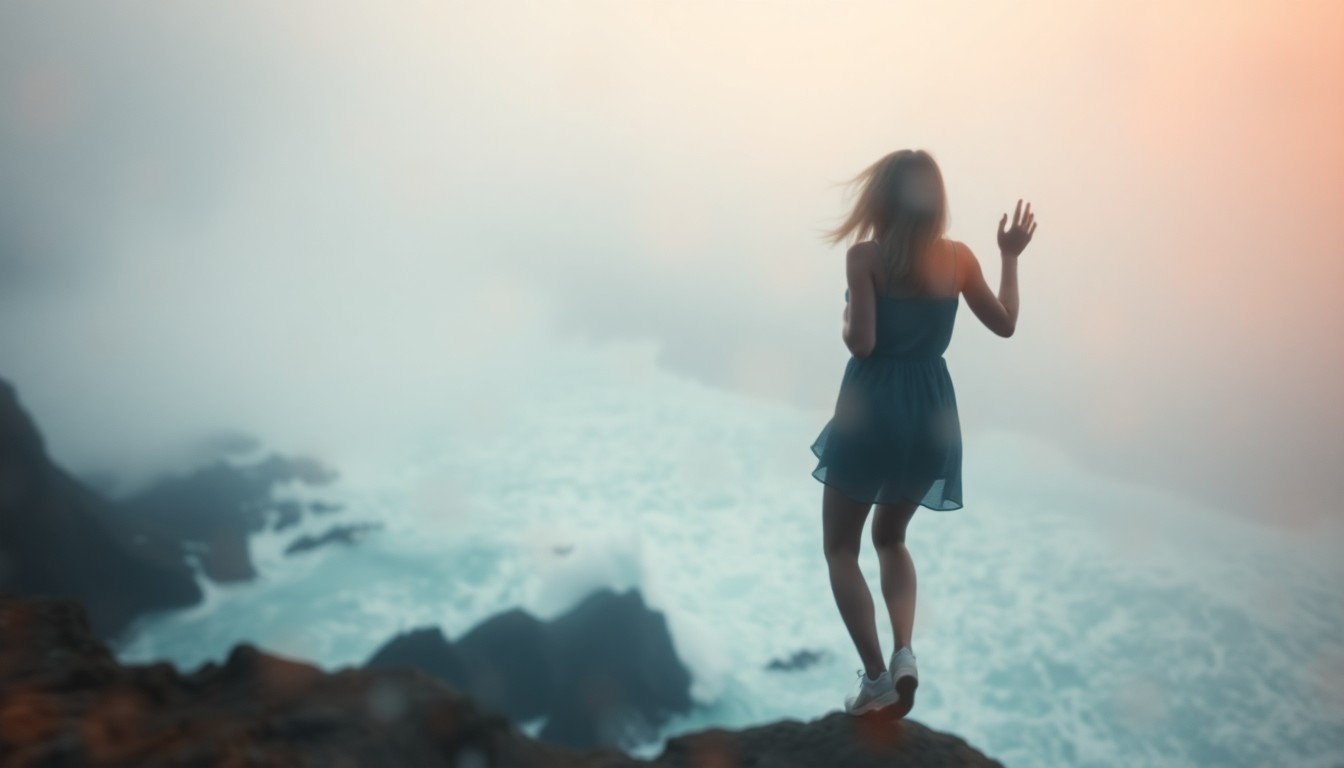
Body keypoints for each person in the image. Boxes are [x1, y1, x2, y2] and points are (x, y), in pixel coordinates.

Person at [809, 149, 1036, 717]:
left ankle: (878, 679)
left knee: (841, 547)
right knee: (893, 538)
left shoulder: (865, 258)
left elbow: (861, 342)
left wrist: (845, 314)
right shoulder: (959, 259)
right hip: (932, 416)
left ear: (881, 200)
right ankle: (906, 652)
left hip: (871, 410)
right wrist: (1009, 257)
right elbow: (1006, 324)